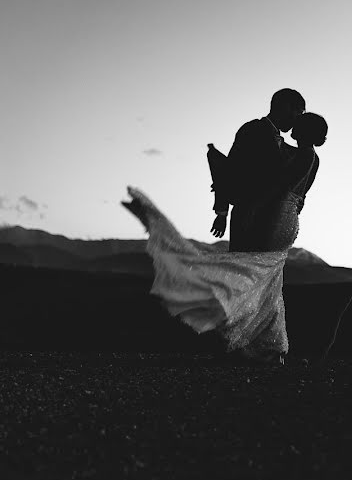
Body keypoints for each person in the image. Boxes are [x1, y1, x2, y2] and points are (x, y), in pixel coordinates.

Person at [122, 112, 329, 365]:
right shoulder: (310, 157)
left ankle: (254, 344)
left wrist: (253, 207)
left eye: (299, 123)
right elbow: (299, 194)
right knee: (266, 280)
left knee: (253, 275)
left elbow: (280, 186)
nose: (293, 125)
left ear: (305, 131)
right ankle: (264, 346)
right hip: (288, 219)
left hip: (275, 217)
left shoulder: (302, 154)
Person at [210, 88, 307, 251]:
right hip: (247, 214)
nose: (297, 120)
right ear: (285, 107)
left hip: (268, 220)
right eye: (298, 113)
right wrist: (222, 213)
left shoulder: (281, 143)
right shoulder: (252, 130)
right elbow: (229, 171)